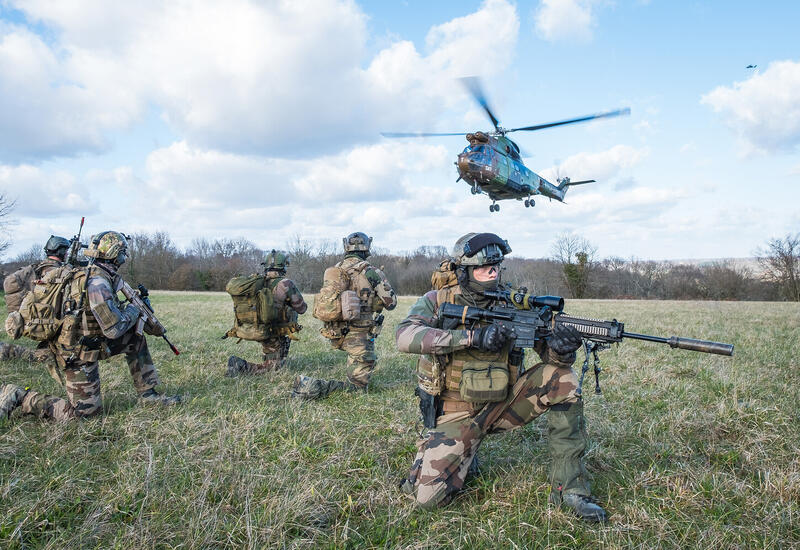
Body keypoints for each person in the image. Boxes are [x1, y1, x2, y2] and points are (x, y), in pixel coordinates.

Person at [394, 232, 607, 522]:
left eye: (496, 267)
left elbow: (551, 359)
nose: (492, 273)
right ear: (464, 271)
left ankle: (570, 489)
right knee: (428, 500)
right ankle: (463, 453)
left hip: (502, 404)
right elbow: (405, 336)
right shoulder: (437, 300)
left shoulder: (515, 303)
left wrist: (563, 351)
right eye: (484, 268)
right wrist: (472, 337)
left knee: (563, 379)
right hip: (455, 415)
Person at [0, 231, 181, 422]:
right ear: (114, 253)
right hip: (75, 353)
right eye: (123, 252)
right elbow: (114, 329)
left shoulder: (101, 274)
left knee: (134, 338)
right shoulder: (97, 282)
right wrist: (133, 311)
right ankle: (20, 395)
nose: (125, 257)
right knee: (82, 417)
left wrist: (134, 313)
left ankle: (148, 394)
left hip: (91, 343)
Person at [292, 232, 397, 399]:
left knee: (357, 368)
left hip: (335, 331)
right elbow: (391, 303)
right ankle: (309, 386)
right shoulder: (371, 271)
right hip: (359, 335)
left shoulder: (336, 269)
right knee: (357, 388)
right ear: (367, 248)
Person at [226, 250, 307, 376]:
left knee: (275, 358)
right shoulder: (285, 283)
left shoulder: (257, 282)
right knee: (274, 368)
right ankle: (240, 366)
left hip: (258, 327)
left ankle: (270, 357)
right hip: (274, 330)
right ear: (283, 266)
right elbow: (302, 309)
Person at [1, 235, 71, 362]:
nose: (67, 254)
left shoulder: (37, 267)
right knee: (51, 357)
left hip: (37, 319)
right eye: (65, 251)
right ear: (60, 251)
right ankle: (7, 351)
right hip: (48, 322)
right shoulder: (57, 272)